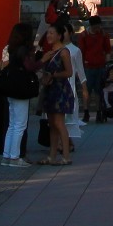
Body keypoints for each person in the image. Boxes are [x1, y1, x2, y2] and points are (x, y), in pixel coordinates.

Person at [0, 21, 39, 167]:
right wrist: (42, 59)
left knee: (12, 124)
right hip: (21, 87)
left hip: (11, 86)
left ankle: (7, 155)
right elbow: (31, 67)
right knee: (20, 125)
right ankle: (15, 156)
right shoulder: (23, 50)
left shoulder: (11, 48)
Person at [36, 23, 75, 165]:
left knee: (59, 123)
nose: (49, 36)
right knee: (51, 124)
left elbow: (69, 72)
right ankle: (51, 156)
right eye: (48, 33)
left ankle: (66, 156)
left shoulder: (64, 52)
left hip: (60, 90)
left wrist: (54, 75)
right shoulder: (50, 52)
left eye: (52, 33)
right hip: (50, 90)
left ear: (59, 35)